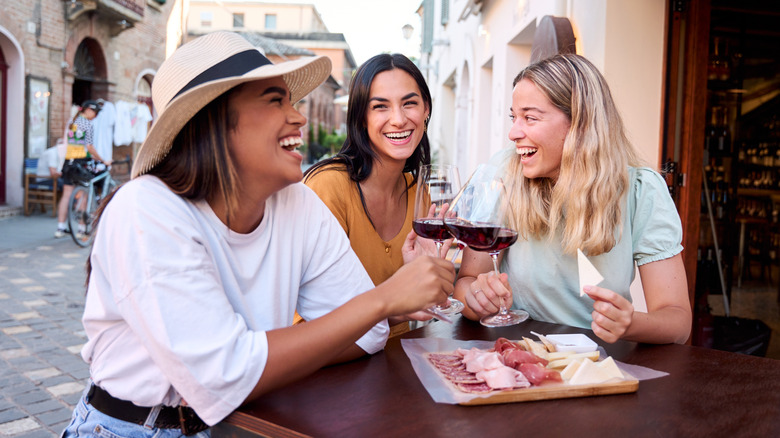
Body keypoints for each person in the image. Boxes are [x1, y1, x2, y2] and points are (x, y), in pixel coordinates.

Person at [61, 31, 454, 437]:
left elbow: (369, 333)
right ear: (214, 119)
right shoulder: (145, 210)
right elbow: (226, 375)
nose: (299, 117)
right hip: (138, 428)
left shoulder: (295, 203)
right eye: (274, 100)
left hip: (252, 421)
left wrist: (261, 359)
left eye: (291, 100)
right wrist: (383, 299)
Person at [453, 54, 691, 345]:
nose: (513, 132)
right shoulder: (503, 173)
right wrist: (476, 299)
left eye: (530, 118)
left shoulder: (641, 191)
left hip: (596, 365)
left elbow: (677, 321)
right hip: (517, 356)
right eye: (514, 117)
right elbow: (465, 284)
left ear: (579, 124)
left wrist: (630, 324)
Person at [303, 53, 446, 336]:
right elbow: (309, 324)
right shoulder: (327, 188)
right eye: (380, 107)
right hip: (336, 374)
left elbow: (426, 302)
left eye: (410, 103)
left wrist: (429, 278)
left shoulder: (419, 192)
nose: (398, 119)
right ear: (361, 118)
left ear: (426, 109)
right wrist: (393, 306)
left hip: (399, 367)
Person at [55, 100, 112, 237]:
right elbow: (90, 147)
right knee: (84, 195)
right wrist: (102, 160)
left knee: (66, 195)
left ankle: (60, 227)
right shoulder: (88, 124)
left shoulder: (71, 122)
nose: (96, 116)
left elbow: (68, 143)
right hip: (81, 163)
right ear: (89, 110)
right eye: (96, 113)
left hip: (69, 162)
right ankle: (81, 228)